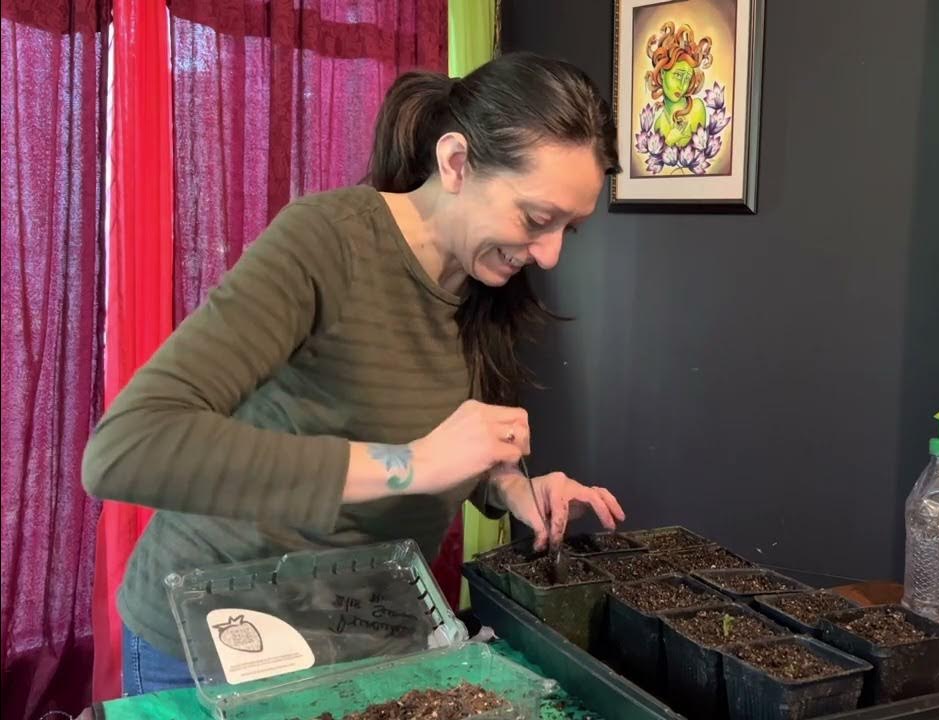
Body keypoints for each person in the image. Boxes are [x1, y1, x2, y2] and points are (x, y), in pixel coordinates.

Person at [81, 52, 625, 696]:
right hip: (223, 638)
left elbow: (445, 432)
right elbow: (126, 451)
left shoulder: (486, 283)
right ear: (455, 163)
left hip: (364, 632)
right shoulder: (329, 241)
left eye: (571, 227)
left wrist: (507, 485)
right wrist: (412, 464)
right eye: (537, 219)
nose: (550, 251)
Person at [645, 21, 713, 148]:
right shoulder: (658, 124)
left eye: (686, 79)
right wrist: (670, 140)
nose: (682, 85)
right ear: (662, 73)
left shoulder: (697, 108)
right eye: (677, 75)